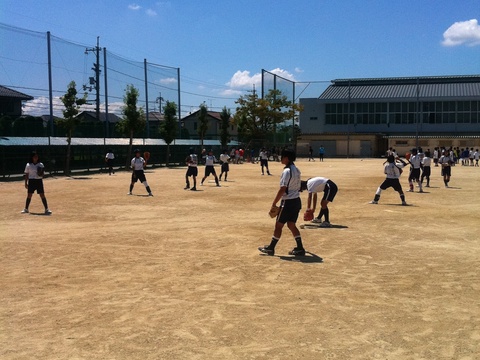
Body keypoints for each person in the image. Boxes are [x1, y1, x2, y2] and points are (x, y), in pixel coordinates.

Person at [258, 149, 305, 257]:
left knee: (278, 225)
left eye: (282, 156)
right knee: (291, 225)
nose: (281, 158)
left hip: (287, 202)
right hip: (296, 201)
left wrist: (274, 203)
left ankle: (271, 248)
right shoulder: (297, 170)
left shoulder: (287, 171)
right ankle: (300, 248)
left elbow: (283, 188)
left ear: (287, 158)